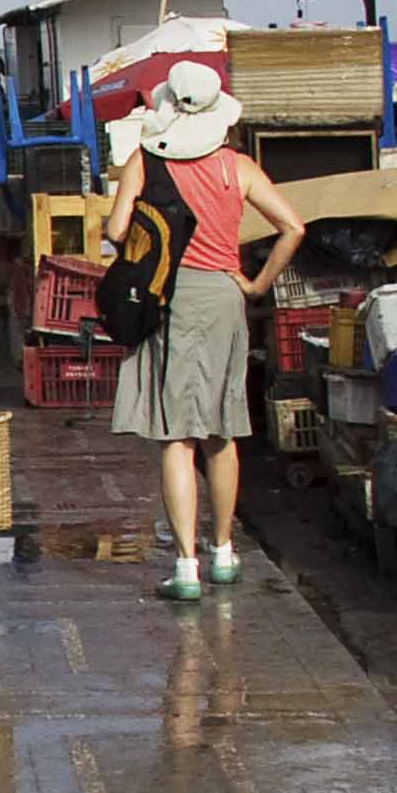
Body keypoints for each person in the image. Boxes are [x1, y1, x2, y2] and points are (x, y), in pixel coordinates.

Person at [103, 57, 303, 602]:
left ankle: (185, 566)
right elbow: (293, 226)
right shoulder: (236, 166)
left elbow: (118, 229)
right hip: (224, 293)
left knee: (177, 435)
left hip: (169, 295)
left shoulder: (146, 160)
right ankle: (223, 552)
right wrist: (257, 284)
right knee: (222, 429)